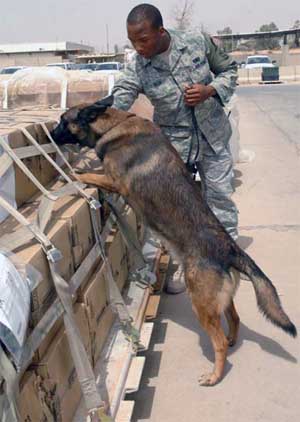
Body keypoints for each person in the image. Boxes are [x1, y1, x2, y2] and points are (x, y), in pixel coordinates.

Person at [112, 3, 238, 293]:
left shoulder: (196, 41)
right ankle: (178, 268)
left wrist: (211, 90)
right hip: (173, 148)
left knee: (219, 203)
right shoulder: (139, 66)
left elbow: (230, 70)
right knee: (171, 210)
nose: (138, 47)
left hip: (213, 137)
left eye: (143, 40)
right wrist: (97, 116)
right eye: (132, 41)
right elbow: (121, 95)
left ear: (160, 31)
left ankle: (227, 266)